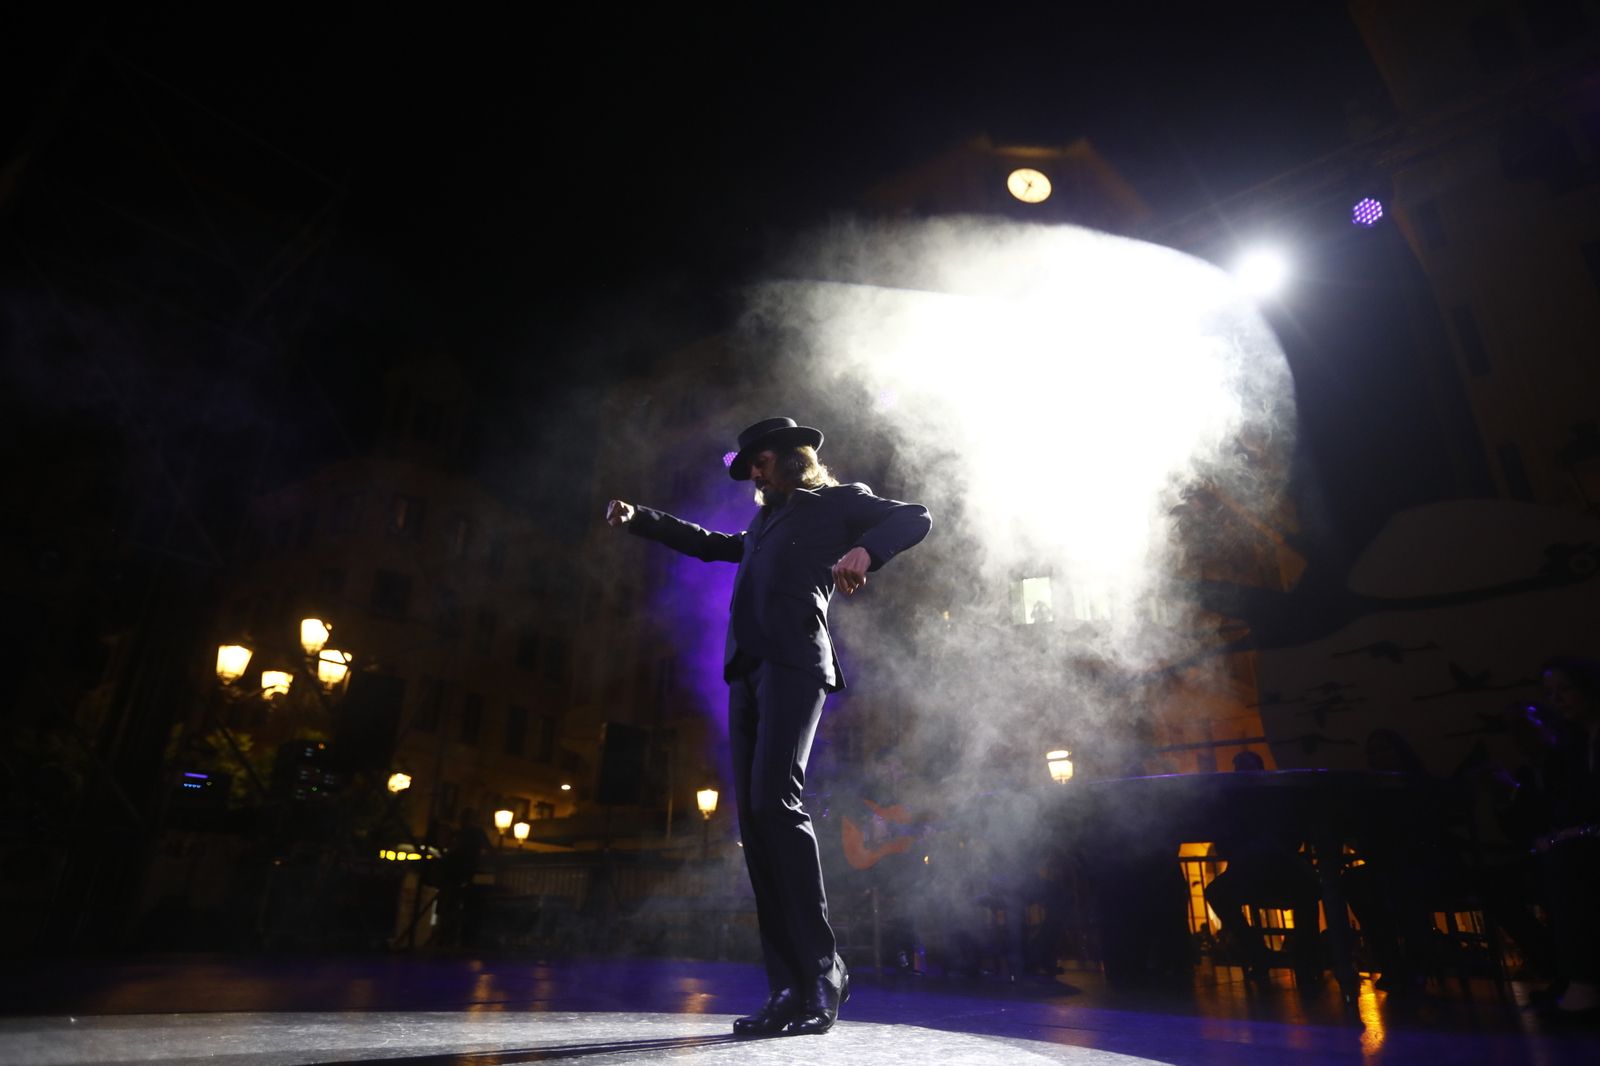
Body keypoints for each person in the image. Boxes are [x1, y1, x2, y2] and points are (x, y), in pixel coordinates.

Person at [607, 417, 931, 1036]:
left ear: (791, 457)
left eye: (759, 462)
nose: (752, 474)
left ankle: (822, 970)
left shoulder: (837, 503)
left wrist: (867, 549)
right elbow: (709, 544)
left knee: (776, 804)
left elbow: (915, 515)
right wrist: (642, 517)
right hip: (746, 670)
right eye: (749, 466)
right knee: (755, 822)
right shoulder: (760, 526)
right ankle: (787, 986)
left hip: (795, 663)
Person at [1204, 749, 1323, 984]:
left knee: (1218, 893)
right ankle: (1293, 955)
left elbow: (1224, 846)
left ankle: (1266, 952)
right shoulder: (1272, 798)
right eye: (1241, 769)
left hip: (1269, 868)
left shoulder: (1247, 802)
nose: (1245, 774)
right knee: (1306, 892)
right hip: (1267, 868)